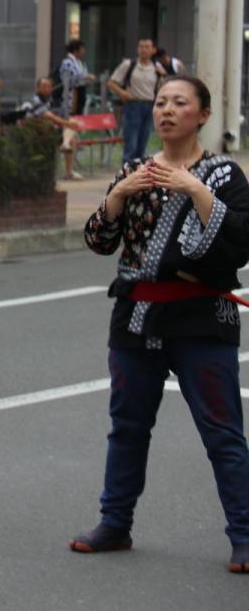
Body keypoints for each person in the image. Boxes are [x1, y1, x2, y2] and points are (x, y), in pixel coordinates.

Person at [71, 75, 249, 575]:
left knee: (222, 432)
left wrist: (194, 189)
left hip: (200, 319)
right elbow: (100, 241)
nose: (167, 110)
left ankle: (244, 534)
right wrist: (118, 196)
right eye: (162, 102)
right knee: (127, 427)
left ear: (203, 115)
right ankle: (114, 522)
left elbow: (239, 243)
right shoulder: (135, 171)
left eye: (180, 103)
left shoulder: (223, 176)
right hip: (135, 317)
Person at [108, 38, 161, 165]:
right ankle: (126, 172)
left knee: (143, 142)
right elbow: (111, 82)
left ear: (153, 50)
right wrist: (122, 93)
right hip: (133, 105)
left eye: (147, 47)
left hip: (149, 105)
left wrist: (163, 75)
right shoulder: (129, 65)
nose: (143, 50)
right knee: (131, 143)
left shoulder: (156, 67)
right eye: (141, 47)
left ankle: (139, 173)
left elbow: (162, 87)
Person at [58, 39, 93, 180]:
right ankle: (65, 145)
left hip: (79, 99)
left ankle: (70, 169)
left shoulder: (78, 63)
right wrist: (85, 77)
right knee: (71, 125)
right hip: (71, 100)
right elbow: (71, 80)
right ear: (76, 49)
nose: (84, 52)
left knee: (73, 134)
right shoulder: (67, 63)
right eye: (82, 49)